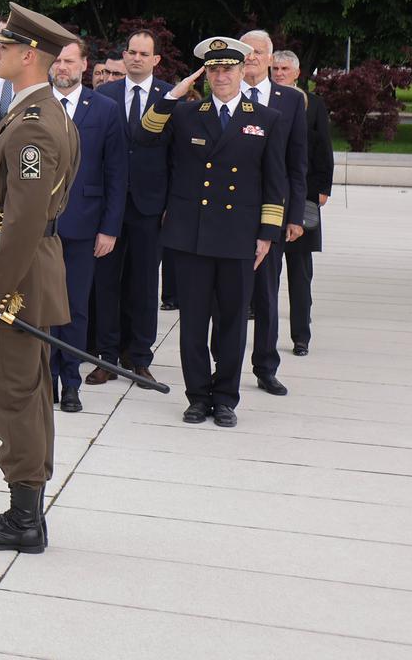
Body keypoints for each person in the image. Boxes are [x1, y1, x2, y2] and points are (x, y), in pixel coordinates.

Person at [0, 3, 80, 554]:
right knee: (28, 393)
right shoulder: (36, 113)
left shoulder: (34, 126)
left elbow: (29, 220)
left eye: (5, 47)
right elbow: (14, 202)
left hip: (16, 279)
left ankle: (23, 519)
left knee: (13, 395)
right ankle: (28, 508)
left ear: (29, 55)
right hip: (26, 273)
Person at [136, 37, 286, 428]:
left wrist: (268, 233)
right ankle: (198, 397)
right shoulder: (187, 113)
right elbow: (146, 133)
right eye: (214, 70)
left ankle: (225, 398)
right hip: (191, 235)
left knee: (233, 323)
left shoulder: (266, 119)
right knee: (194, 323)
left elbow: (275, 181)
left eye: (228, 69)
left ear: (242, 71)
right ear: (206, 74)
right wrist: (175, 93)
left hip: (239, 236)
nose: (221, 76)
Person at [88, 30, 172, 384]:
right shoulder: (103, 95)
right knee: (106, 283)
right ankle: (107, 356)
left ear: (155, 60)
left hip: (149, 206)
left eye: (144, 53)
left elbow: (176, 156)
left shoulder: (170, 97)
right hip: (109, 206)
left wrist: (171, 206)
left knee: (143, 284)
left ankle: (138, 356)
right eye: (131, 52)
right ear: (124, 57)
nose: (136, 58)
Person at [48, 41, 127, 413]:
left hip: (84, 226)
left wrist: (109, 229)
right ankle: (43, 380)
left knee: (75, 309)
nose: (62, 67)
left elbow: (116, 173)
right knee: (41, 308)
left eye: (69, 60)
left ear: (84, 64)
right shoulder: (34, 105)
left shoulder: (106, 109)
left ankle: (71, 383)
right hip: (40, 228)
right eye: (57, 61)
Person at [240, 30, 307, 396]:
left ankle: (265, 366)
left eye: (257, 52)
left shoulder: (291, 101)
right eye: (245, 51)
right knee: (229, 295)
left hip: (272, 212)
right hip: (230, 211)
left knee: (266, 295)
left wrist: (294, 215)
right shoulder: (225, 94)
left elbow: (297, 163)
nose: (250, 57)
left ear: (270, 58)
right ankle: (225, 363)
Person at [272, 49, 332, 356]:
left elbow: (324, 148)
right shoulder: (262, 101)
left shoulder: (313, 104)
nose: (279, 73)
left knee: (299, 273)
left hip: (302, 197)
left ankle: (301, 336)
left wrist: (322, 188)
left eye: (284, 69)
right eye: (275, 68)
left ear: (296, 73)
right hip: (270, 200)